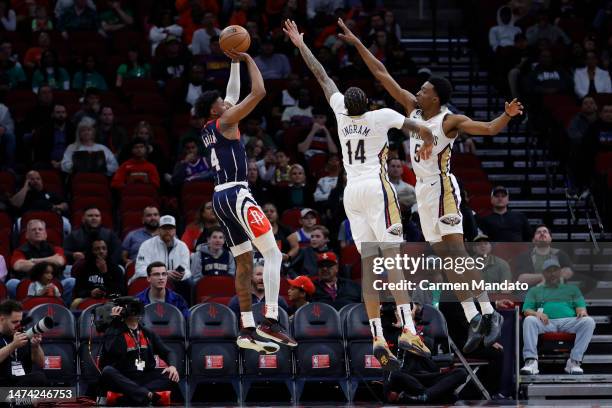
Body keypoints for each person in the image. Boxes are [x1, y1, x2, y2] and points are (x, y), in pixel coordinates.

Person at [337, 18, 521, 358]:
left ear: (436, 97)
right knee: (447, 259)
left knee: (457, 253)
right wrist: (357, 43)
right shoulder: (414, 109)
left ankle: (490, 315)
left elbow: (491, 129)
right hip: (421, 190)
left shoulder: (450, 120)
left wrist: (507, 115)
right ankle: (473, 319)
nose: (417, 92)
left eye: (423, 90)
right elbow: (382, 74)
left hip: (442, 187)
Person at [286, 19, 433, 370]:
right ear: (367, 103)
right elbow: (419, 127)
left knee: (370, 266)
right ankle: (409, 329)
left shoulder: (339, 110)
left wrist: (301, 45)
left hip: (350, 192)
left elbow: (322, 76)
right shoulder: (381, 115)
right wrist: (428, 140)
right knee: (392, 261)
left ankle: (378, 336)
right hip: (376, 189)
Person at [194, 47, 295, 354]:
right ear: (216, 111)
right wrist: (251, 57)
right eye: (221, 104)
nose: (227, 103)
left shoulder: (209, 128)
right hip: (237, 194)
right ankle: (272, 320)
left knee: (244, 262)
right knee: (274, 255)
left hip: (219, 198)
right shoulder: (225, 122)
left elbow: (232, 94)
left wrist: (234, 62)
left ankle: (247, 329)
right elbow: (260, 91)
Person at [99, 297, 180, 406]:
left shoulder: (148, 333)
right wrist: (115, 322)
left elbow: (168, 352)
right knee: (107, 371)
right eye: (132, 308)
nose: (135, 311)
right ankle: (149, 395)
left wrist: (173, 366)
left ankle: (128, 397)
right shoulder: (114, 331)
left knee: (171, 376)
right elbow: (111, 350)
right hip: (122, 378)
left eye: (137, 307)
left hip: (143, 377)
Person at [520, 259, 595, 375]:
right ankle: (531, 361)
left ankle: (574, 361)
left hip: (568, 322)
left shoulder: (572, 289)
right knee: (529, 320)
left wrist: (582, 312)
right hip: (546, 322)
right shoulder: (535, 290)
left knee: (588, 321)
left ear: (560, 272)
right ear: (544, 273)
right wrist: (536, 314)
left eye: (555, 270)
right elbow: (526, 310)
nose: (553, 274)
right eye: (549, 271)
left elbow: (581, 307)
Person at [8, 219, 71, 302]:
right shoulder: (19, 251)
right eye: (33, 230)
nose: (37, 232)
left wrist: (33, 261)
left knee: (71, 281)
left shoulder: (56, 249)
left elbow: (59, 261)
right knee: (12, 283)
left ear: (45, 234)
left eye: (40, 229)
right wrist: (51, 260)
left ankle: (64, 307)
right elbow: (18, 266)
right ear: (26, 235)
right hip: (29, 282)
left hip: (55, 281)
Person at [133, 215, 191, 286]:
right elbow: (140, 270)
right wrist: (164, 274)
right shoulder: (146, 245)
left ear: (175, 230)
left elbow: (187, 271)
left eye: (170, 228)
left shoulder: (182, 246)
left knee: (189, 282)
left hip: (176, 283)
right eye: (164, 228)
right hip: (152, 283)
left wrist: (181, 275)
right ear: (158, 230)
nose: (167, 231)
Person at [0, 300, 46, 387]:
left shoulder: (24, 334)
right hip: (3, 383)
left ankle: (16, 399)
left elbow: (42, 363)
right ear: (2, 319)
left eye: (20, 321)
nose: (19, 325)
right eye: (14, 322)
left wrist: (35, 346)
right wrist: (13, 345)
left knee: (40, 377)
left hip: (21, 382)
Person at [71, 238, 125, 309]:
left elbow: (120, 292)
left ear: (107, 251)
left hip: (109, 300)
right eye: (97, 249)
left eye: (104, 248)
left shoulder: (115, 269)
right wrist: (90, 293)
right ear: (92, 251)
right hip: (88, 299)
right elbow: (78, 291)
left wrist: (105, 273)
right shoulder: (84, 268)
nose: (101, 251)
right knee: (76, 302)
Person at [31, 104, 76, 169]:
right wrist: (51, 161)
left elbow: (75, 148)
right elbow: (41, 149)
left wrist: (63, 162)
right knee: (37, 166)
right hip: (49, 161)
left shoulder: (72, 129)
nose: (61, 115)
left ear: (66, 114)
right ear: (52, 114)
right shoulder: (45, 129)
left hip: (68, 161)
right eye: (58, 112)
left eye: (63, 112)